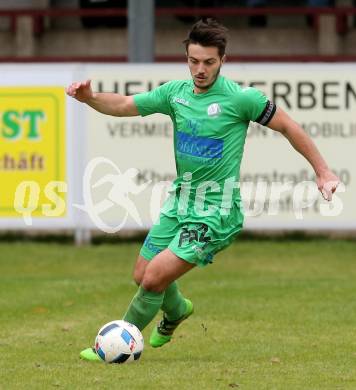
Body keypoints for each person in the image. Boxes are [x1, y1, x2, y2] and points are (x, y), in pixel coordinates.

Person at [66, 18, 339, 361]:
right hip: (180, 202)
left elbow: (289, 127)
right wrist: (90, 98)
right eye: (194, 61)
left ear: (222, 59)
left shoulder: (242, 98)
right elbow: (123, 105)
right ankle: (177, 310)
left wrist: (323, 171)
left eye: (209, 62)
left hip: (216, 212)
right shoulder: (175, 94)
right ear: (186, 57)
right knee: (141, 274)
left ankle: (113, 347)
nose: (200, 69)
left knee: (153, 280)